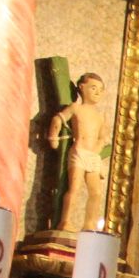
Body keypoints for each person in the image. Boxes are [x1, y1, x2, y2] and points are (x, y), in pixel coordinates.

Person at [47, 73, 108, 233]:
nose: (97, 93)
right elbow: (58, 119)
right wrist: (53, 136)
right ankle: (65, 221)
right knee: (75, 187)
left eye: (100, 90)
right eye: (93, 88)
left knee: (96, 192)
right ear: (81, 87)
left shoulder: (100, 116)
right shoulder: (76, 108)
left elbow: (102, 138)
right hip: (79, 152)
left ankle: (89, 224)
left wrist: (96, 150)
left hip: (92, 156)